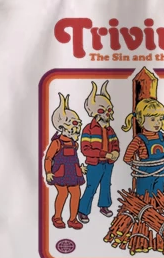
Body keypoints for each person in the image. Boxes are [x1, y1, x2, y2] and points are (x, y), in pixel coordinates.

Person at [78, 81, 120, 223]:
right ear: (95, 112)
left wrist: (115, 153)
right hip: (94, 164)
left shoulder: (110, 129)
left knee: (106, 185)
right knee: (91, 187)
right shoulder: (88, 129)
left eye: (109, 109)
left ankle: (104, 206)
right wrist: (104, 154)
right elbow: (85, 149)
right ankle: (83, 211)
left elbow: (115, 144)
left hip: (108, 163)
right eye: (103, 110)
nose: (107, 113)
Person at [44, 93, 87, 230]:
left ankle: (73, 219)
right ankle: (57, 217)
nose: (76, 128)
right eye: (73, 124)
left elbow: (74, 160)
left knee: (76, 193)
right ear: (62, 127)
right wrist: (48, 172)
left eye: (77, 124)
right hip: (60, 173)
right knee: (63, 193)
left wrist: (81, 169)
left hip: (73, 173)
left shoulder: (74, 143)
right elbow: (48, 158)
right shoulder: (56, 143)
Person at [122, 98, 164, 196]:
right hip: (145, 173)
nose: (157, 123)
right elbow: (127, 157)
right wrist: (135, 165)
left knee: (158, 194)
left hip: (160, 173)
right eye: (152, 119)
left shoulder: (163, 137)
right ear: (141, 120)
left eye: (160, 119)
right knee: (144, 195)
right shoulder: (138, 140)